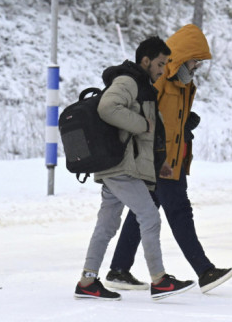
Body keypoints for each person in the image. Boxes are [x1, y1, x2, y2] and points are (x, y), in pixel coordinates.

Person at [104, 24, 232, 294]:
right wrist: (159, 151)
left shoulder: (183, 83)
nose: (198, 65)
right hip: (161, 160)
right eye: (195, 60)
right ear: (183, 56)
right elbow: (150, 115)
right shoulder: (162, 79)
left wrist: (185, 122)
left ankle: (119, 270)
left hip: (171, 157)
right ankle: (205, 270)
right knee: (179, 211)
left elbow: (168, 118)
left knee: (143, 211)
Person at [74, 36, 196, 301]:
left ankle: (87, 282)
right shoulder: (128, 81)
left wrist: (160, 161)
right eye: (160, 64)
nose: (163, 70)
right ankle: (160, 280)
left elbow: (154, 131)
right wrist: (142, 124)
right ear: (146, 60)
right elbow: (108, 107)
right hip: (120, 166)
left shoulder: (143, 86)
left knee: (106, 226)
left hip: (121, 166)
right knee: (149, 216)